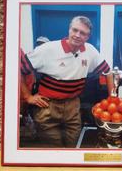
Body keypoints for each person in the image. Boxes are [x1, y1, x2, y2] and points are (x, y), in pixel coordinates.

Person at [20, 16, 113, 147]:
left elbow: (108, 73)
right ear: (69, 30)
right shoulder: (48, 49)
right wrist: (27, 96)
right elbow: (18, 69)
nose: (77, 35)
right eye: (75, 30)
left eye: (83, 33)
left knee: (74, 146)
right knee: (54, 149)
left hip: (73, 105)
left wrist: (112, 100)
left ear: (88, 37)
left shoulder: (90, 51)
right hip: (47, 106)